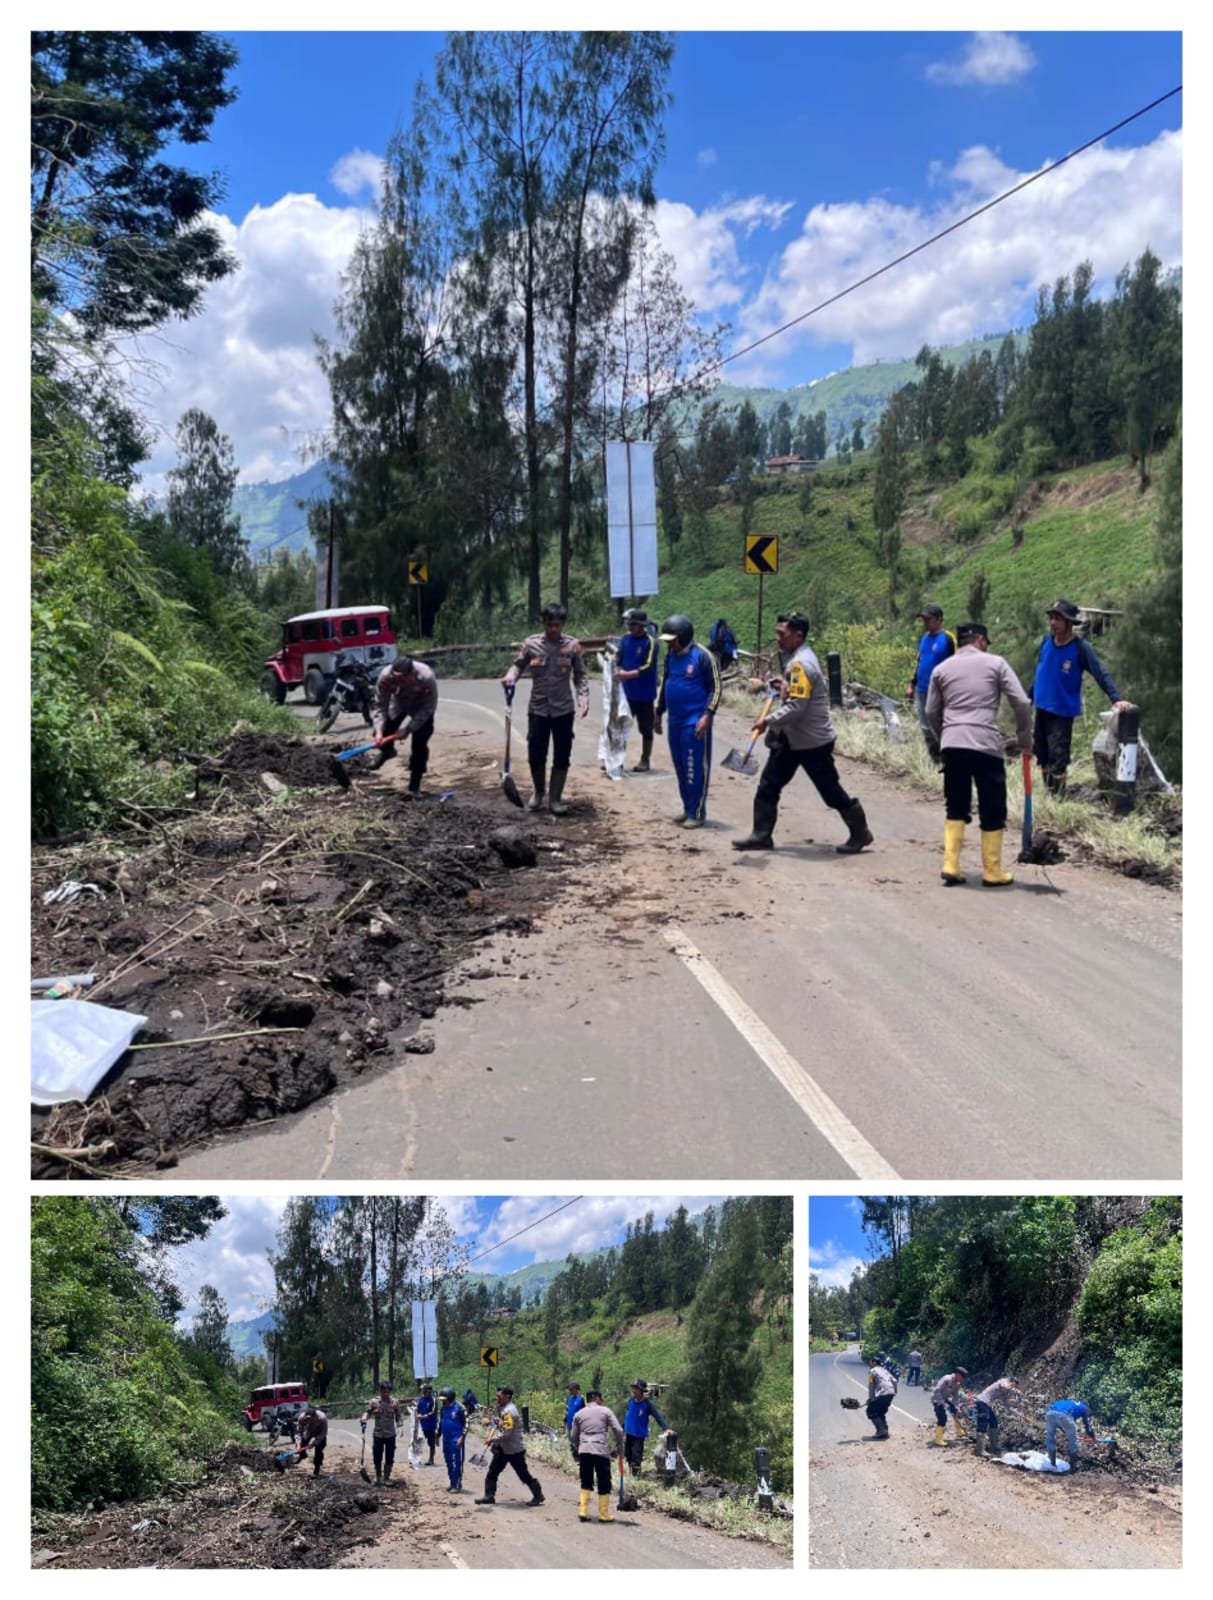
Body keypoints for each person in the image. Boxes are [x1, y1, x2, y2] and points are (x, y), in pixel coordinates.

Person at [733, 612, 873, 853]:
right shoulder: (797, 660)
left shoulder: (801, 664)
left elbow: (797, 707)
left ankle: (860, 833)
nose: (778, 639)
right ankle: (761, 835)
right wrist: (784, 685)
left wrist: (766, 720)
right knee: (769, 784)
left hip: (812, 742)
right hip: (791, 739)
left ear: (798, 636)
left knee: (830, 792)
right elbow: (796, 694)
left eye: (782, 634)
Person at [926, 621, 1032, 888]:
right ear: (981, 640)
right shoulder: (996, 664)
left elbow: (930, 712)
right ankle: (992, 870)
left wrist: (945, 737)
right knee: (992, 806)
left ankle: (950, 864)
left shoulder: (941, 669)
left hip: (953, 744)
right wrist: (1023, 737)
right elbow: (1020, 701)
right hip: (985, 744)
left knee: (956, 804)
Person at [1030, 599, 1133, 794]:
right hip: (1041, 708)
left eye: (1058, 618)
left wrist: (1116, 698)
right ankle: (1047, 795)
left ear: (1069, 622)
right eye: (1051, 618)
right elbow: (1041, 673)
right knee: (1042, 755)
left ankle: (1057, 798)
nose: (1053, 622)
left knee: (1058, 757)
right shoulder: (1046, 642)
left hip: (1061, 713)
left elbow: (1100, 673)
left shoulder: (1080, 648)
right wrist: (1028, 697)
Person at [502, 602, 589, 815]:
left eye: (557, 625)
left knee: (562, 755)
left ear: (563, 624)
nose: (553, 629)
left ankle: (556, 799)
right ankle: (539, 792)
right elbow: (518, 664)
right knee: (536, 754)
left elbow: (580, 674)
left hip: (563, 709)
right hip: (538, 709)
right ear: (544, 623)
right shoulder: (531, 644)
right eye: (549, 625)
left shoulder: (572, 646)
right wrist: (511, 676)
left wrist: (583, 696)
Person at [654, 615, 721, 828]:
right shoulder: (670, 657)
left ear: (683, 637)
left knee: (694, 767)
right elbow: (666, 684)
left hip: (695, 722)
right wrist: (659, 711)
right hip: (675, 721)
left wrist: (707, 715)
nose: (669, 644)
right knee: (681, 767)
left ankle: (697, 812)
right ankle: (686, 808)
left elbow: (716, 688)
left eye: (672, 640)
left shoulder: (702, 656)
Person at [370, 654, 439, 796]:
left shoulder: (426, 677)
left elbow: (428, 708)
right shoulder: (385, 677)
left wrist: (408, 729)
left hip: (421, 708)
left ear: (411, 673)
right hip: (399, 704)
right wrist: (378, 731)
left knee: (419, 744)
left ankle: (415, 785)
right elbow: (380, 706)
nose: (396, 680)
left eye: (401, 678)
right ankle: (387, 752)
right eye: (394, 677)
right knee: (383, 730)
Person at [474, 1386, 544, 1507]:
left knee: (523, 1474)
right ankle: (489, 1496)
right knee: (493, 1471)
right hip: (503, 1448)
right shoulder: (503, 1409)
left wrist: (492, 1439)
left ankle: (538, 1495)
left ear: (507, 1397)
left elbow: (506, 1433)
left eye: (499, 1397)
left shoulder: (509, 1411)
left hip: (514, 1450)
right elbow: (504, 1425)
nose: (497, 1399)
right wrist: (498, 1423)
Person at [905, 604, 956, 765]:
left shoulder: (947, 639)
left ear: (939, 620)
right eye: (923, 619)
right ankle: (934, 759)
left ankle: (947, 758)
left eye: (928, 619)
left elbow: (955, 663)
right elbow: (920, 662)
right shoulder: (924, 639)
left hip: (940, 690)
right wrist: (912, 684)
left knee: (940, 724)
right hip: (922, 687)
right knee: (925, 726)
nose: (925, 622)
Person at [614, 609, 660, 772]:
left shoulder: (651, 642)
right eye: (629, 624)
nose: (630, 627)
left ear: (642, 626)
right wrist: (616, 667)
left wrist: (628, 674)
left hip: (644, 693)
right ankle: (617, 759)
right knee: (621, 726)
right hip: (627, 692)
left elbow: (648, 666)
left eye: (633, 624)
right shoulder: (625, 639)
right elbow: (618, 657)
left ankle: (645, 759)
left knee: (645, 728)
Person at [571, 1387, 625, 1524]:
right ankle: (604, 1513)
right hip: (600, 1450)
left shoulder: (579, 1414)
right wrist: (619, 1445)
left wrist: (579, 1447)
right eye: (601, 1399)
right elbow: (618, 1430)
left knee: (586, 1480)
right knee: (604, 1481)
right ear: (596, 1398)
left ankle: (583, 1511)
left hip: (584, 1450)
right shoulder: (605, 1411)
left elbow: (573, 1436)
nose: (601, 1401)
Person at [361, 1380, 403, 1485]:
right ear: (380, 1391)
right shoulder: (374, 1402)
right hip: (378, 1434)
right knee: (377, 1456)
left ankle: (386, 1478)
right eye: (383, 1391)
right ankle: (378, 1476)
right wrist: (364, 1418)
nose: (385, 1393)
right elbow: (367, 1412)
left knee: (389, 1456)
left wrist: (400, 1427)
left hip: (390, 1434)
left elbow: (398, 1417)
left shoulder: (395, 1403)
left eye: (387, 1391)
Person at [622, 1379, 667, 1475]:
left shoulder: (647, 1404)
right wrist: (622, 1428)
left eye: (636, 1389)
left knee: (636, 1457)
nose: (634, 1391)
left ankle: (636, 1477)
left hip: (638, 1435)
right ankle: (632, 1475)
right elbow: (628, 1416)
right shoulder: (630, 1401)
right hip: (628, 1433)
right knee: (629, 1456)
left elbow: (658, 1417)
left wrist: (666, 1429)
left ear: (642, 1390)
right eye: (633, 1388)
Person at [973, 1375, 1021, 1458]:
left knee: (994, 1422)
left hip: (987, 1404)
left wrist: (1017, 1413)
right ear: (1011, 1382)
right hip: (982, 1401)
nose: (1012, 1388)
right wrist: (1016, 1391)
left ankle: (994, 1446)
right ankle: (979, 1450)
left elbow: (1007, 1405)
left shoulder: (1005, 1391)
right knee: (983, 1424)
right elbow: (1004, 1386)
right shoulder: (1003, 1382)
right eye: (1013, 1385)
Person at [1044, 1397, 1096, 1471]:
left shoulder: (1071, 1404)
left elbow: (1065, 1422)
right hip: (1064, 1415)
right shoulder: (1084, 1408)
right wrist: (1093, 1436)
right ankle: (1072, 1467)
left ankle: (1052, 1464)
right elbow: (1087, 1426)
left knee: (1050, 1437)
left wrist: (1065, 1430)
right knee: (1073, 1440)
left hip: (1050, 1413)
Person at [929, 1366, 969, 1447]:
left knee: (957, 1412)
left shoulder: (957, 1383)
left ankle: (960, 1431)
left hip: (945, 1398)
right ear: (958, 1375)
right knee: (942, 1417)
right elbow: (937, 1390)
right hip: (937, 1399)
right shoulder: (947, 1379)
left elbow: (955, 1396)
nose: (962, 1379)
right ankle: (938, 1439)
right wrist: (942, 1403)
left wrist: (956, 1407)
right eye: (962, 1377)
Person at [438, 1387, 468, 1492]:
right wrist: (438, 1436)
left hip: (456, 1438)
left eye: (444, 1399)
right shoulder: (443, 1409)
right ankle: (452, 1482)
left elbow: (467, 1424)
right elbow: (441, 1423)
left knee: (456, 1462)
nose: (443, 1401)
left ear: (450, 1398)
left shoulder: (459, 1408)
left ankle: (456, 1484)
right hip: (446, 1438)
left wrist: (462, 1437)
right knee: (448, 1461)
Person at [866, 1356, 897, 1440]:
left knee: (871, 1411)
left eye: (870, 1362)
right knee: (880, 1412)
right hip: (891, 1392)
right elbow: (894, 1381)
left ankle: (881, 1431)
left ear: (874, 1363)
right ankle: (885, 1431)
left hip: (883, 1393)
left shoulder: (872, 1371)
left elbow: (871, 1386)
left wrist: (871, 1398)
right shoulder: (884, 1370)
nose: (869, 1364)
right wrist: (894, 1392)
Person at [298, 1404, 328, 1478]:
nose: (308, 1421)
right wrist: (298, 1444)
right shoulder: (301, 1418)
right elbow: (299, 1432)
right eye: (306, 1420)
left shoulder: (322, 1418)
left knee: (319, 1449)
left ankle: (317, 1468)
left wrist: (313, 1443)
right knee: (302, 1443)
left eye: (310, 1419)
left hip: (319, 1432)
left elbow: (323, 1433)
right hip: (309, 1431)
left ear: (315, 1417)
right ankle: (302, 1455)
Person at [417, 1382, 438, 1466]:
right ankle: (417, 1459)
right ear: (424, 1391)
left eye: (430, 1392)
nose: (429, 1393)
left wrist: (426, 1415)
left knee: (431, 1443)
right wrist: (418, 1414)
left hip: (431, 1425)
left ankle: (431, 1459)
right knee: (419, 1442)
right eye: (427, 1392)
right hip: (422, 1425)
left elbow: (434, 1411)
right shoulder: (421, 1400)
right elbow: (417, 1408)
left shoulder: (433, 1400)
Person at [565, 1381, 586, 1457]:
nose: (570, 1391)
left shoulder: (581, 1399)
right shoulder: (569, 1399)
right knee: (570, 1441)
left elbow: (584, 1411)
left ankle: (579, 1456)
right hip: (569, 1423)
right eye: (570, 1389)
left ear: (577, 1390)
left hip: (577, 1424)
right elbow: (567, 1410)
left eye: (572, 1389)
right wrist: (564, 1420)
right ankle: (573, 1456)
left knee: (577, 1441)